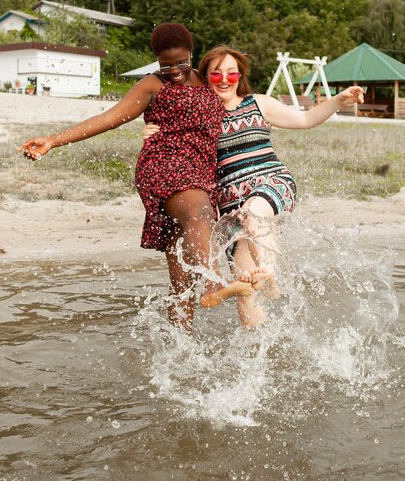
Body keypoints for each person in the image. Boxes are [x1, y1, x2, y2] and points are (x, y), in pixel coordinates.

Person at [18, 25, 255, 331]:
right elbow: (109, 118)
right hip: (164, 165)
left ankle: (179, 351)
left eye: (180, 62)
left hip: (202, 173)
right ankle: (213, 284)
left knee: (180, 272)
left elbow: (238, 103)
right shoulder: (152, 85)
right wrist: (53, 140)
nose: (173, 71)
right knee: (200, 214)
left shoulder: (208, 79)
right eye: (165, 64)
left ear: (191, 54)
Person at [144, 45, 365, 327]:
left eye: (231, 73)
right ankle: (259, 350)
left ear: (240, 76)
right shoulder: (198, 116)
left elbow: (305, 119)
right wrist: (152, 132)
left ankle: (272, 277)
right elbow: (172, 146)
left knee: (253, 216)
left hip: (272, 183)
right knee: (246, 296)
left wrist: (337, 100)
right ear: (204, 77)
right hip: (230, 211)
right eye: (216, 74)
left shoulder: (258, 103)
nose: (224, 79)